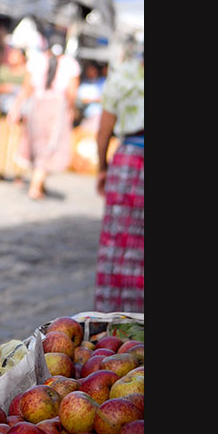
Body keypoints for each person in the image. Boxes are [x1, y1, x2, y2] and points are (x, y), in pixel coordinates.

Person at [93, 44, 144, 313]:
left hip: (128, 163)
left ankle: (113, 316)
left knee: (118, 245)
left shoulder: (123, 76)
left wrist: (102, 167)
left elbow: (103, 133)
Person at [8, 35, 80, 200]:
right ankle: (35, 186)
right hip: (57, 108)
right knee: (49, 147)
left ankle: (39, 183)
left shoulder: (36, 60)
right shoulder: (70, 64)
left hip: (36, 105)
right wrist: (71, 110)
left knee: (38, 145)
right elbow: (72, 93)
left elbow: (26, 88)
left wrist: (16, 107)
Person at [0, 43, 27, 181]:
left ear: (22, 57)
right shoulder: (3, 70)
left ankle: (18, 173)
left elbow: (30, 89)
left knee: (18, 140)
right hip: (2, 110)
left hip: (20, 111)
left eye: (15, 55)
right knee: (0, 139)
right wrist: (5, 88)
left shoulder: (27, 72)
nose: (11, 57)